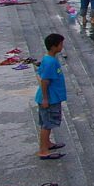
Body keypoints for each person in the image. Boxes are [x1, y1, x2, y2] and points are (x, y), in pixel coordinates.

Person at [35, 32, 67, 160]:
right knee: (47, 124)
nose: (62, 47)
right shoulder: (50, 63)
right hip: (50, 98)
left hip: (52, 97)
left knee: (46, 122)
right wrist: (45, 98)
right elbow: (44, 81)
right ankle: (43, 150)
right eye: (61, 44)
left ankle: (47, 143)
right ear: (54, 47)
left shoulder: (49, 59)